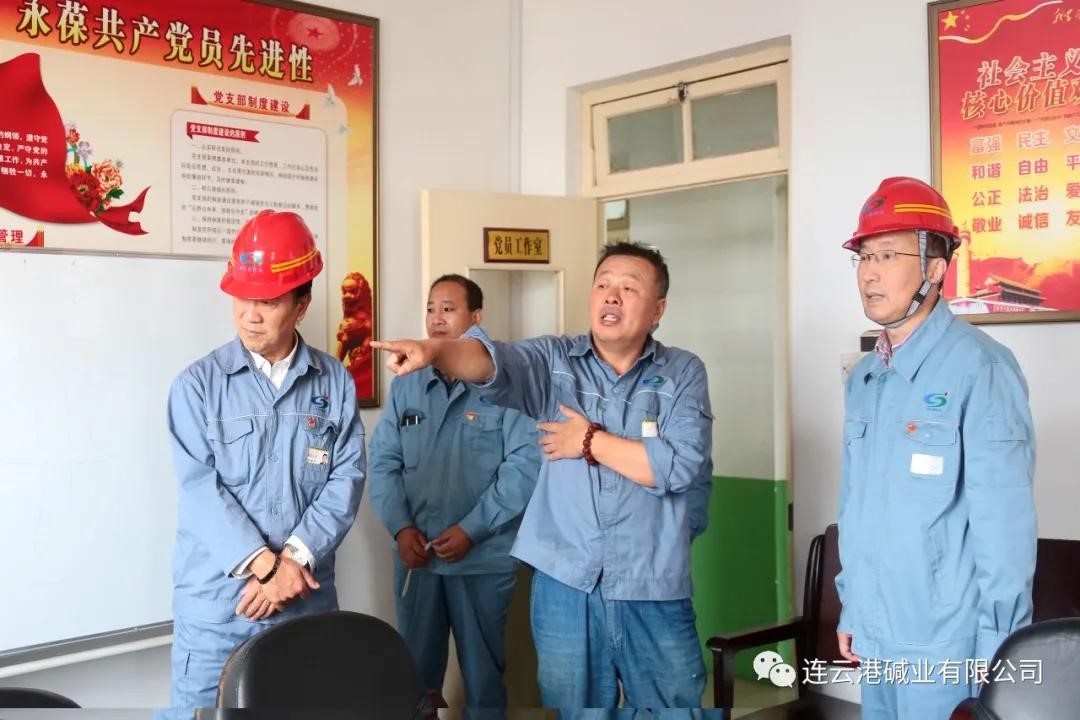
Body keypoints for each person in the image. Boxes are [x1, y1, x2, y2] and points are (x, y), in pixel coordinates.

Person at [372, 243, 714, 711]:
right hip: (565, 585)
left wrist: (587, 441)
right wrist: (434, 350)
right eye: (602, 284)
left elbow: (678, 466)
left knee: (672, 710)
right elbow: (492, 362)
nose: (611, 296)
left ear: (658, 310)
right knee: (572, 709)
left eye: (629, 288)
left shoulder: (682, 372)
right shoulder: (554, 362)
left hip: (652, 585)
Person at [835, 177, 1036, 719]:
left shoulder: (981, 368)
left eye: (887, 255)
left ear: (935, 268)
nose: (869, 273)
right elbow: (855, 507)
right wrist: (854, 605)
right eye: (864, 257)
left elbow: (1003, 527)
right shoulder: (866, 378)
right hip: (877, 635)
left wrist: (1001, 652)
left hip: (949, 644)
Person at [166, 209, 367, 712]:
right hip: (221, 607)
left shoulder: (334, 382)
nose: (249, 315)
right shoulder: (197, 386)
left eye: (269, 301)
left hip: (304, 601)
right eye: (242, 297)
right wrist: (266, 566)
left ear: (302, 305)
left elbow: (346, 477)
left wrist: (292, 563)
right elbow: (199, 488)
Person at [369, 274, 541, 719]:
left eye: (448, 308)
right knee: (416, 681)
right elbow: (384, 460)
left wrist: (472, 529)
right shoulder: (408, 383)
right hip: (419, 559)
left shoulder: (506, 382)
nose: (437, 318)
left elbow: (524, 467)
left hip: (482, 560)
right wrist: (400, 527)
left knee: (484, 679)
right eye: (431, 308)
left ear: (476, 317)